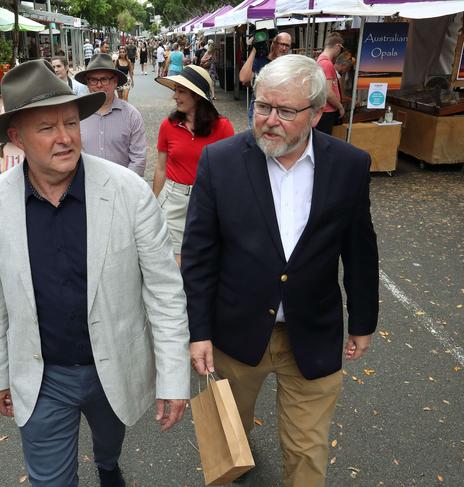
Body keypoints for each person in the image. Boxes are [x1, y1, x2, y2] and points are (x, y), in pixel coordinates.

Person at [0, 59, 190, 487]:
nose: (64, 138)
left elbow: (165, 292)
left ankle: (108, 465)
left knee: (109, 442)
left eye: (70, 123)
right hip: (42, 377)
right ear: (16, 137)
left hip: (113, 362)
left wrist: (173, 377)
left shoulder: (127, 191)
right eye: (46, 128)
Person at [182, 54, 379, 486]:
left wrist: (363, 320)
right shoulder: (221, 161)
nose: (270, 120)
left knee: (307, 451)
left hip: (312, 331)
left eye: (285, 111)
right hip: (236, 334)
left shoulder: (349, 165)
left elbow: (359, 248)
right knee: (232, 440)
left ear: (315, 113)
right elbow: (198, 254)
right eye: (263, 106)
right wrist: (199, 331)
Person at [153, 65, 234, 267]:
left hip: (207, 199)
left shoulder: (222, 127)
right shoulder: (167, 126)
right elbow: (161, 167)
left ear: (197, 96)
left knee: (203, 258)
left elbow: (229, 173)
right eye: (175, 91)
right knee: (174, 262)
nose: (175, 97)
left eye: (181, 91)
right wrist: (154, 202)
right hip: (173, 199)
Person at [75, 54, 147, 176]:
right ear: (87, 83)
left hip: (122, 188)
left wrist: (124, 187)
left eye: (104, 79)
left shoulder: (131, 115)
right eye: (93, 80)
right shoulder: (77, 115)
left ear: (115, 82)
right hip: (87, 187)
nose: (99, 85)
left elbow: (138, 159)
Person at [239, 32, 293, 127]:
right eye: (282, 44)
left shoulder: (289, 64)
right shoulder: (261, 60)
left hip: (279, 116)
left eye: (287, 45)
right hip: (259, 113)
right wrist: (254, 50)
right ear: (274, 43)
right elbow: (244, 78)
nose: (284, 48)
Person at [316, 33, 346, 135]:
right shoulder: (326, 64)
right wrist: (340, 106)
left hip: (324, 111)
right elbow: (328, 92)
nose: (340, 52)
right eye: (341, 49)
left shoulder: (322, 60)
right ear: (338, 46)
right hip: (326, 112)